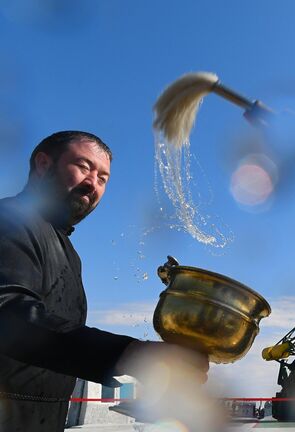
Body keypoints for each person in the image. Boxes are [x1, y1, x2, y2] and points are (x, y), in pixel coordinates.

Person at [0, 131, 209, 432]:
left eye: (103, 178)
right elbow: (8, 313)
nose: (92, 184)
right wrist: (129, 354)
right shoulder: (10, 219)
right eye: (83, 167)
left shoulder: (69, 251)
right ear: (43, 164)